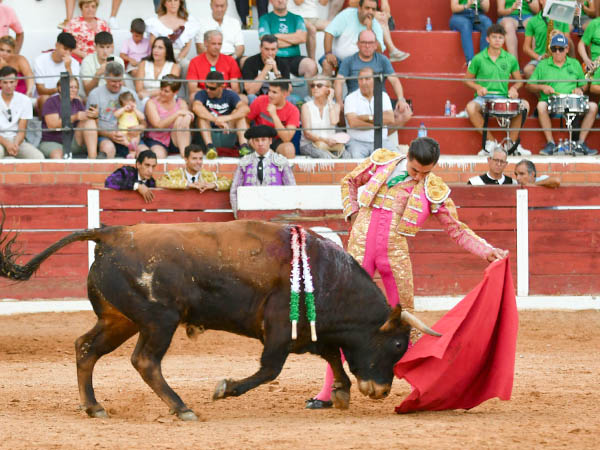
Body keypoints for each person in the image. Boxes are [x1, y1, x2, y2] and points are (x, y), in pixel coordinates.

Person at [306, 137, 508, 409]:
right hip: (359, 251)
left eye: (426, 172)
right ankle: (330, 390)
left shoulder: (432, 187)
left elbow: (456, 229)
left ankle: (425, 389)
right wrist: (353, 214)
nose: (419, 177)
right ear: (407, 156)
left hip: (394, 257)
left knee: (407, 325)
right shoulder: (382, 161)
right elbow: (349, 181)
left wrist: (486, 250)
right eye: (415, 171)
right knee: (343, 319)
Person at [464, 24, 531, 156]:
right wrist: (478, 87)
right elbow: (467, 80)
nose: (497, 40)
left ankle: (512, 143)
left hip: (504, 96)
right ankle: (490, 142)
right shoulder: (478, 58)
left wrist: (514, 88)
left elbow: (519, 81)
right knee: (471, 107)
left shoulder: (510, 58)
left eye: (500, 37)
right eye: (494, 37)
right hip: (483, 98)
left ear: (504, 39)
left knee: (525, 105)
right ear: (487, 39)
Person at [527, 33, 598, 156]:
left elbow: (584, 85)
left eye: (561, 49)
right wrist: (542, 87)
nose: (557, 52)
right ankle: (550, 143)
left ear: (567, 49)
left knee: (593, 106)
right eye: (554, 49)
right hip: (551, 102)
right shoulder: (543, 64)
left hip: (573, 101)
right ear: (551, 49)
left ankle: (580, 143)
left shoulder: (574, 63)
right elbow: (529, 85)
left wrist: (580, 89)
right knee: (541, 106)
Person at [335, 30, 412, 131]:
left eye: (370, 43)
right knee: (337, 111)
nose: (367, 46)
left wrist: (401, 99)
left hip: (380, 101)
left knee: (406, 113)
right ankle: (373, 133)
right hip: (356, 102)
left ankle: (382, 136)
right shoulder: (348, 61)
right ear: (358, 44)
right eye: (363, 42)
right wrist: (339, 102)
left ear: (376, 45)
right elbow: (338, 82)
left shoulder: (383, 60)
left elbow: (395, 81)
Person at [230, 124, 296, 217]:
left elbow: (291, 189)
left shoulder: (281, 162)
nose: (260, 143)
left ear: (270, 141)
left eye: (263, 140)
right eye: (257, 140)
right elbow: (234, 191)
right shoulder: (244, 162)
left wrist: (285, 215)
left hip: (275, 213)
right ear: (252, 142)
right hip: (249, 212)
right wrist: (238, 214)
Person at [87, 61, 149, 158]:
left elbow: (143, 122)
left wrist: (140, 128)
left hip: (131, 138)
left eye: (119, 81)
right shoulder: (95, 94)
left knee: (145, 153)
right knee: (108, 148)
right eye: (113, 81)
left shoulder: (130, 93)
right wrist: (109, 134)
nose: (117, 84)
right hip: (106, 138)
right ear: (105, 78)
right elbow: (90, 126)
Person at [192, 70, 250, 159]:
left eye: (212, 88)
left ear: (222, 86)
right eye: (206, 86)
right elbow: (196, 107)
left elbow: (245, 109)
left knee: (239, 115)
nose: (208, 90)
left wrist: (226, 118)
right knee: (201, 117)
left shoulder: (230, 94)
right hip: (208, 133)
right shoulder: (201, 94)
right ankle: (210, 148)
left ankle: (244, 147)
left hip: (227, 131)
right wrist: (215, 120)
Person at [321, 0, 385, 76]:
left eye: (373, 9)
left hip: (360, 63)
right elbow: (329, 32)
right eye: (367, 8)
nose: (370, 12)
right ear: (359, 8)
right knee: (326, 64)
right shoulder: (347, 14)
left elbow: (379, 52)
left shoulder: (375, 25)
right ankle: (327, 87)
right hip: (337, 60)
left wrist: (370, 30)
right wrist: (328, 53)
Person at [40, 77, 98, 159]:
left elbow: (91, 125)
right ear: (60, 88)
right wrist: (75, 117)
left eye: (76, 87)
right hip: (52, 142)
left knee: (89, 122)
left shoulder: (77, 102)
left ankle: (93, 160)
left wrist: (94, 116)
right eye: (70, 87)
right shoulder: (51, 101)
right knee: (58, 154)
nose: (74, 90)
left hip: (72, 141)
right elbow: (52, 125)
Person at [344, 66, 396, 158]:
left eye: (367, 79)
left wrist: (367, 118)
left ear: (374, 80)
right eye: (361, 79)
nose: (363, 83)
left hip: (381, 141)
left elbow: (390, 119)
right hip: (357, 142)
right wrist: (377, 126)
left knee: (397, 159)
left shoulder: (383, 96)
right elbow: (353, 123)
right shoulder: (350, 98)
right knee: (355, 162)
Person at [258, 0, 318, 79]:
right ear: (271, 1)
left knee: (311, 66)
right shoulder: (265, 19)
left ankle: (310, 91)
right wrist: (294, 40)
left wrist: (276, 36)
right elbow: (266, 41)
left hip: (294, 58)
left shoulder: (297, 18)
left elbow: (302, 38)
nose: (280, 1)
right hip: (273, 57)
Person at [247, 80, 300, 159]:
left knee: (289, 149)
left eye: (274, 92)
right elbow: (246, 120)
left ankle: (286, 171)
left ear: (285, 94)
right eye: (269, 91)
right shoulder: (260, 100)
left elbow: (287, 138)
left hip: (277, 140)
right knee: (264, 149)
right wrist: (250, 138)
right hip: (259, 138)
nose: (270, 95)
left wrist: (274, 115)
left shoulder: (293, 110)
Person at [0, 66, 44, 159]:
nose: (8, 85)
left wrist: (15, 144)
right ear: (0, 83)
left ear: (16, 82)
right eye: (5, 82)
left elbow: (22, 129)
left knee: (38, 158)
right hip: (1, 140)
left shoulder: (25, 100)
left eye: (11, 82)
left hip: (17, 141)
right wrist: (7, 144)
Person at [145, 75, 193, 158]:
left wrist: (188, 116)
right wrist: (177, 114)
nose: (162, 93)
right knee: (159, 156)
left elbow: (189, 117)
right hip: (157, 139)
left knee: (183, 118)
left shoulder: (181, 102)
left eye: (166, 91)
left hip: (176, 139)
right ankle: (186, 154)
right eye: (161, 89)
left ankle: (185, 155)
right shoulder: (151, 103)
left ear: (175, 92)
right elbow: (158, 125)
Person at [187, 30, 242, 102]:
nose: (217, 47)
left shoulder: (230, 61)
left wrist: (220, 93)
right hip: (204, 96)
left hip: (225, 96)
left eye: (219, 44)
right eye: (214, 44)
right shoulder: (195, 62)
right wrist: (213, 92)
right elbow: (192, 89)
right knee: (193, 96)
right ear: (206, 43)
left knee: (243, 98)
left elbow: (235, 88)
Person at [33, 32, 80, 113]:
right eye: (65, 49)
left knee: (78, 99)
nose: (67, 53)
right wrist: (59, 90)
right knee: (45, 99)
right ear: (56, 45)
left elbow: (74, 89)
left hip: (66, 97)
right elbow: (40, 90)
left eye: (70, 51)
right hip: (46, 97)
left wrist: (68, 68)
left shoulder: (74, 63)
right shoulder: (40, 60)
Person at [522, 0, 570, 79]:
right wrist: (539, 57)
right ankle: (542, 90)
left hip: (560, 55)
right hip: (541, 58)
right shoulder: (532, 21)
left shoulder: (563, 19)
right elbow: (526, 47)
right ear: (541, 1)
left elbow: (569, 43)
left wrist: (561, 35)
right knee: (528, 70)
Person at [300, 75, 345, 158]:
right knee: (325, 156)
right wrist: (325, 140)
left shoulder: (335, 106)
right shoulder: (306, 106)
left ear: (329, 89)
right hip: (309, 144)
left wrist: (330, 101)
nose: (315, 88)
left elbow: (334, 121)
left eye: (319, 85)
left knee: (347, 155)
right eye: (313, 86)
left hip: (330, 144)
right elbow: (307, 134)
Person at [157, 144, 232, 191]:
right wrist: (188, 184)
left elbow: (230, 183)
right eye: (194, 159)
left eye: (200, 158)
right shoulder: (175, 174)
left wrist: (213, 185)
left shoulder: (209, 176)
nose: (198, 162)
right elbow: (159, 182)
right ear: (186, 159)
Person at [145, 0, 199, 64]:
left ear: (180, 3)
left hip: (179, 57)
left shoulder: (188, 23)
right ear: (164, 3)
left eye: (176, 0)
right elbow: (152, 44)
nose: (173, 3)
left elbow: (187, 46)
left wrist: (178, 60)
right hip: (160, 56)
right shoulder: (155, 22)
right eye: (169, 1)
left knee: (186, 65)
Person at [241, 34, 290, 104]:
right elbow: (250, 91)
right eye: (266, 49)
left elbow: (287, 91)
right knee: (251, 97)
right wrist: (266, 69)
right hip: (256, 97)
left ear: (277, 49)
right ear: (260, 48)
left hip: (275, 97)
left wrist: (276, 71)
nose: (270, 53)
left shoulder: (283, 63)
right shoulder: (250, 62)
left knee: (293, 99)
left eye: (273, 49)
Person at [134, 36, 181, 102]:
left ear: (167, 51)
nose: (156, 50)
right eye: (154, 47)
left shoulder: (174, 67)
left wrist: (149, 93)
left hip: (166, 99)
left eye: (160, 48)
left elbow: (169, 90)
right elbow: (139, 90)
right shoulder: (143, 64)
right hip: (145, 99)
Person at [80, 31, 126, 96]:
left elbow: (123, 88)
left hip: (115, 97)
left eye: (108, 47)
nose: (105, 51)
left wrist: (114, 75)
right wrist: (98, 74)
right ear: (95, 47)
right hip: (96, 97)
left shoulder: (118, 61)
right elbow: (87, 91)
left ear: (112, 47)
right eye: (102, 47)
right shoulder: (87, 61)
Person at [449, 0, 493, 66]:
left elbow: (486, 9)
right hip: (459, 15)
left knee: (487, 23)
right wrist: (466, 5)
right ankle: (471, 62)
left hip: (476, 14)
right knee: (466, 25)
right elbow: (454, 8)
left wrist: (481, 1)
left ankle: (484, 61)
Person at [114, 91, 144, 158]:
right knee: (118, 134)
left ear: (134, 102)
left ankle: (132, 155)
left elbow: (142, 117)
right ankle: (128, 145)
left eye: (131, 105)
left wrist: (135, 109)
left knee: (135, 140)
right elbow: (115, 115)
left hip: (134, 134)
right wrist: (124, 109)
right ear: (122, 105)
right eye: (126, 105)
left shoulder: (135, 112)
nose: (129, 107)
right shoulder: (122, 112)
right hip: (124, 133)